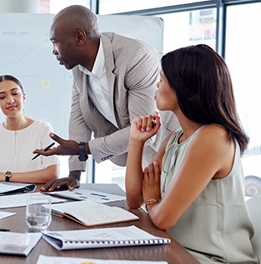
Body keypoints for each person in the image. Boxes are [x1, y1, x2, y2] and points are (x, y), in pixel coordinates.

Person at [125, 45, 258, 263]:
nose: (156, 86)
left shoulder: (213, 137)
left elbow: (163, 219)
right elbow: (133, 199)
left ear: (184, 88)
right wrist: (135, 141)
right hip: (177, 251)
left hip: (212, 259)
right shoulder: (175, 138)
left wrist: (152, 199)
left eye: (162, 80)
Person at [33, 5, 179, 191]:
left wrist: (84, 148)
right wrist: (74, 175)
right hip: (137, 152)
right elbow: (79, 118)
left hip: (171, 145)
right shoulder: (79, 68)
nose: (54, 51)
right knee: (144, 208)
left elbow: (143, 128)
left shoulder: (136, 57)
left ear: (80, 37)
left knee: (167, 213)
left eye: (55, 42)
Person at [0, 75, 60, 192]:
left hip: (34, 197)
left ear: (24, 97)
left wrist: (3, 176)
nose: (10, 100)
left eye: (15, 93)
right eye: (2, 97)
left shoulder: (43, 129)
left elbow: (53, 173)